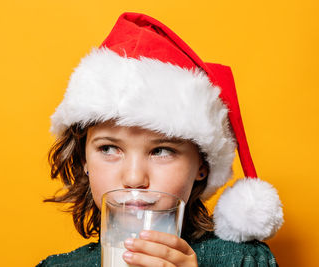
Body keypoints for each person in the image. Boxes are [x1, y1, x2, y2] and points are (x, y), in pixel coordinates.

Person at [36, 12, 284, 267]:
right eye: (109, 148)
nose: (134, 179)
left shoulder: (245, 260)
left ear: (202, 164)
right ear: (83, 158)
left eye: (161, 151)